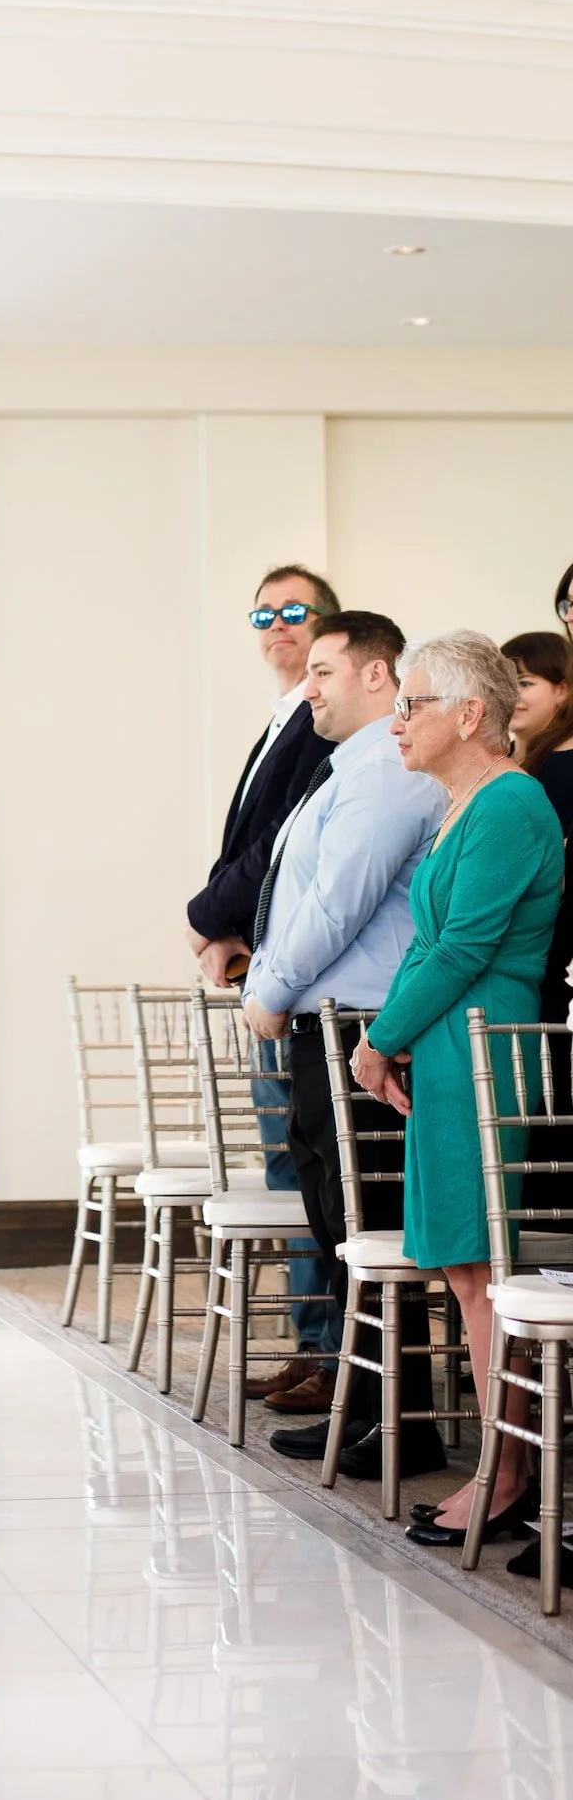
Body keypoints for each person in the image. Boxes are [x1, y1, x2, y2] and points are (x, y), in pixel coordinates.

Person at [349, 633, 564, 1550]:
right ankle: (500, 1463)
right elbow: (426, 947)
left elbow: (470, 946)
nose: (397, 722)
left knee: (487, 1273)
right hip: (444, 1046)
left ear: (470, 715)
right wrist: (389, 1039)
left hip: (485, 1046)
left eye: (414, 703)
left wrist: (380, 1038)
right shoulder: (461, 802)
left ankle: (505, 1472)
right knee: (465, 1271)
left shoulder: (511, 804)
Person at [240, 612, 448, 1470]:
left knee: (368, 1227)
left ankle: (402, 1424)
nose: (308, 687)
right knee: (338, 1226)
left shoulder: (391, 775)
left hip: (360, 1025)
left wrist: (269, 991)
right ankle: (365, 1411)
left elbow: (339, 902)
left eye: (323, 670)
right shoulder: (346, 771)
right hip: (328, 1024)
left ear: (377, 676)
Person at [187, 563, 343, 1400]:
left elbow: (278, 845)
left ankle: (327, 1353)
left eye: (294, 611)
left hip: (298, 981)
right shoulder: (282, 717)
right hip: (265, 967)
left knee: (310, 1165)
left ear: (327, 622)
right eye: (263, 614)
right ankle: (311, 1342)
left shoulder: (321, 725)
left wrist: (205, 916)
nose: (277, 626)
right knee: (288, 1165)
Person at [502, 631, 573, 1025]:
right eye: (506, 683)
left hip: (537, 945)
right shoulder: (501, 759)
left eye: (526, 683)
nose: (513, 695)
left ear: (561, 690)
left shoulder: (565, 765)